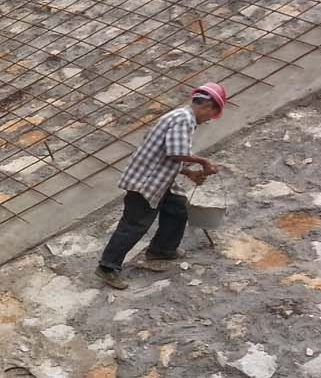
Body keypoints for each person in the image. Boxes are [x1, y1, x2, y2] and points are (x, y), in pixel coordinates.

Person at [95, 82, 226, 290]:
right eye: (212, 114)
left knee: (177, 209)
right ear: (208, 106)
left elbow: (168, 155)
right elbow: (176, 152)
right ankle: (107, 267)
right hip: (146, 181)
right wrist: (203, 162)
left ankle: (162, 250)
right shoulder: (184, 119)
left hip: (160, 180)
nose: (209, 119)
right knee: (135, 224)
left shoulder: (181, 117)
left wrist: (190, 173)